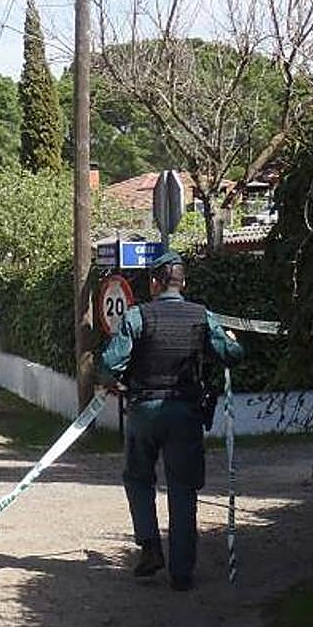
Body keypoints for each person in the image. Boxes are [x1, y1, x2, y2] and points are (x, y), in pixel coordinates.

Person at [97, 250, 243, 591]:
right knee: (183, 489)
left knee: (137, 479)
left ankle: (149, 547)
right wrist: (233, 344)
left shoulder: (137, 317)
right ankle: (182, 572)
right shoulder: (201, 317)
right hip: (185, 414)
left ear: (154, 283)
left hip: (143, 412)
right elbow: (231, 355)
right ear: (183, 282)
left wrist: (116, 384)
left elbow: (107, 366)